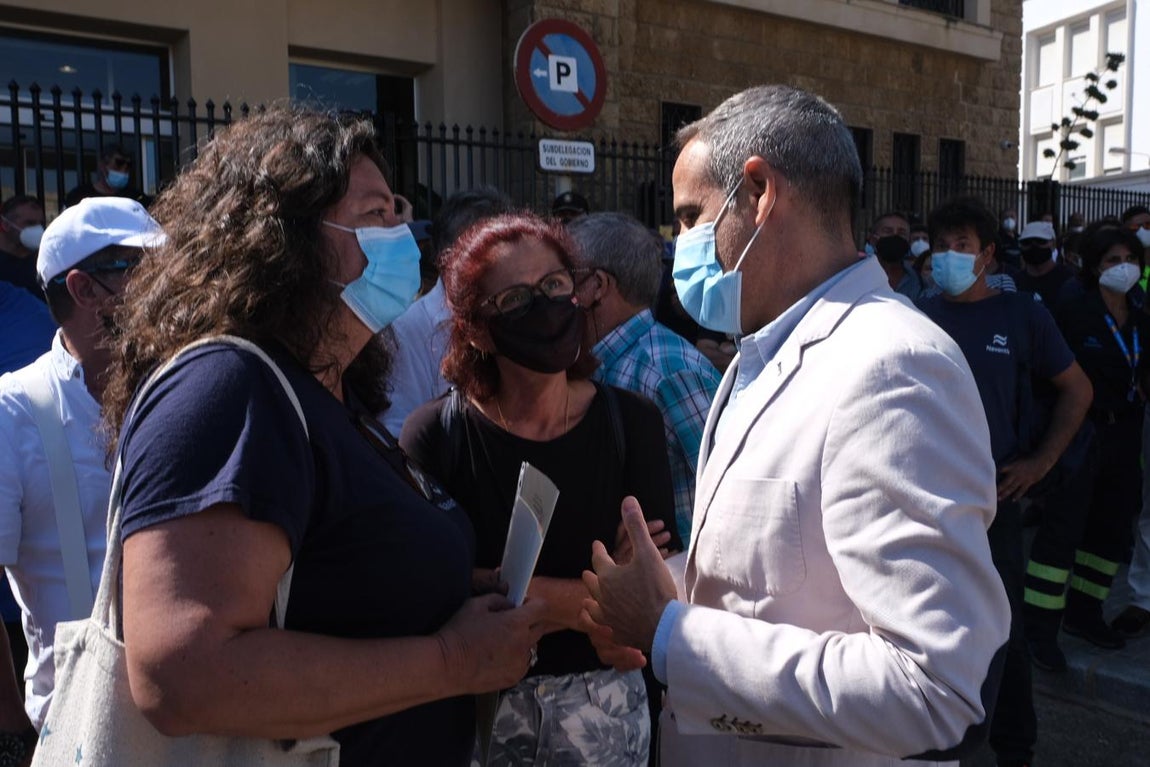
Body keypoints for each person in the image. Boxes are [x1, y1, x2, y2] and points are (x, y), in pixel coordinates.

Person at [98, 107, 545, 766]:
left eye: (399, 209)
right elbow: (182, 674)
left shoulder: (336, 395)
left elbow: (340, 580)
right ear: (285, 240)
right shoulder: (228, 387)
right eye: (374, 214)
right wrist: (450, 661)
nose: (403, 231)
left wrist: (451, 590)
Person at [581, 85, 1010, 767]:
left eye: (691, 216)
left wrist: (670, 635)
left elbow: (933, 688)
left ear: (757, 192)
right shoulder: (759, 354)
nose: (680, 246)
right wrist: (666, 582)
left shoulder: (892, 366)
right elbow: (786, 575)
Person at [400, 212, 681, 766]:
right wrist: (594, 601)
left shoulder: (632, 423)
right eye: (516, 299)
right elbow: (425, 595)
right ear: (477, 328)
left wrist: (503, 590)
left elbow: (649, 604)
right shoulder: (437, 435)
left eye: (554, 286)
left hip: (606, 718)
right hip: (475, 711)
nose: (546, 306)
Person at [916, 196, 1092, 767]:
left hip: (993, 505)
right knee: (927, 624)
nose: (948, 256)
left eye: (961, 246)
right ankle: (936, 737)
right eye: (941, 246)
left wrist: (1040, 462)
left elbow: (1077, 389)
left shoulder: (1023, 316)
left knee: (1005, 629)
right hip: (924, 500)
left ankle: (1015, 747)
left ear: (988, 255)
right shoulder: (916, 315)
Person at [0, 199, 164, 763]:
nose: (169, 288)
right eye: (142, 271)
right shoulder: (14, 410)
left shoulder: (186, 385)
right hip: (76, 734)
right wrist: (12, 728)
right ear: (85, 289)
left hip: (199, 721)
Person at [568, 211, 721, 542]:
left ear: (597, 285)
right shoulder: (590, 364)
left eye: (564, 278)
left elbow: (724, 499)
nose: (559, 295)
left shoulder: (670, 370)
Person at [1053, 226, 1150, 650]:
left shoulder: (1141, 313)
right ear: (1095, 266)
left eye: (1130, 260)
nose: (1123, 268)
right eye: (1113, 260)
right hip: (1084, 431)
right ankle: (1039, 626)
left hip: (1126, 430)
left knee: (1111, 527)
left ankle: (1086, 612)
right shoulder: (1075, 310)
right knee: (1066, 524)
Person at [381, 187, 513, 436]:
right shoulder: (407, 330)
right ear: (448, 258)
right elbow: (398, 430)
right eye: (489, 256)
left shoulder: (518, 314)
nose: (506, 268)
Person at [63, 144, 149, 209]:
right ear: (103, 166)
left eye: (128, 166)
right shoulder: (78, 196)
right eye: (119, 164)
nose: (123, 171)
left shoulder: (136, 198)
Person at [1015, 220, 1074, 307]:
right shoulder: (1014, 282)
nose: (1034, 246)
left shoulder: (1068, 280)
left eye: (1040, 241)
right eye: (1027, 242)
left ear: (1053, 244)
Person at [0, 196, 46, 301]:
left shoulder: (44, 261)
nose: (38, 229)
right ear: (6, 225)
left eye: (41, 223)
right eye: (30, 223)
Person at [869, 211, 923, 300]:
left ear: (909, 240)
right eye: (887, 231)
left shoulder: (918, 280)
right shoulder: (857, 276)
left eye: (901, 233)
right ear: (873, 240)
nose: (895, 235)